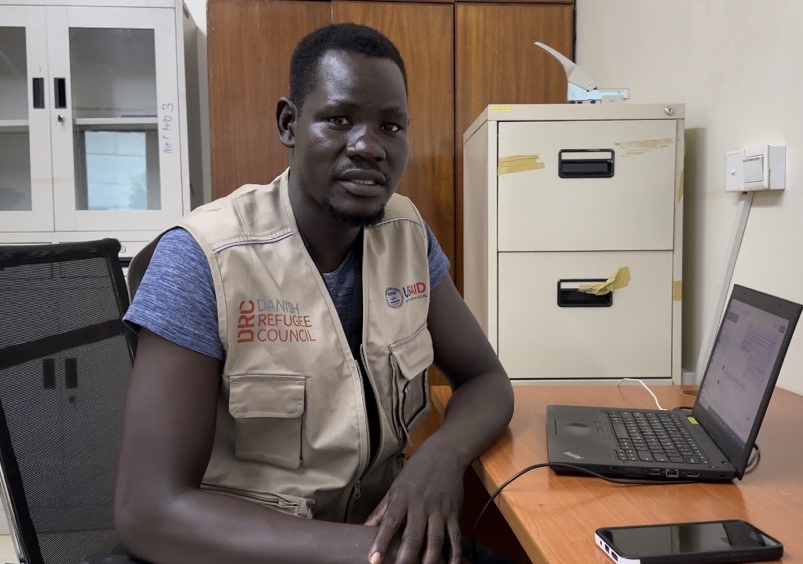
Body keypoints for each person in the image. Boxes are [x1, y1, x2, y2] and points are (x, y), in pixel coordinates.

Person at [114, 23, 514, 564]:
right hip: (256, 551)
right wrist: (376, 554)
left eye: (391, 125)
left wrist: (438, 458)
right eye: (340, 119)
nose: (369, 146)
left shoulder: (407, 234)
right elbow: (150, 511)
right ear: (289, 123)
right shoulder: (203, 256)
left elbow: (486, 378)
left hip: (374, 530)